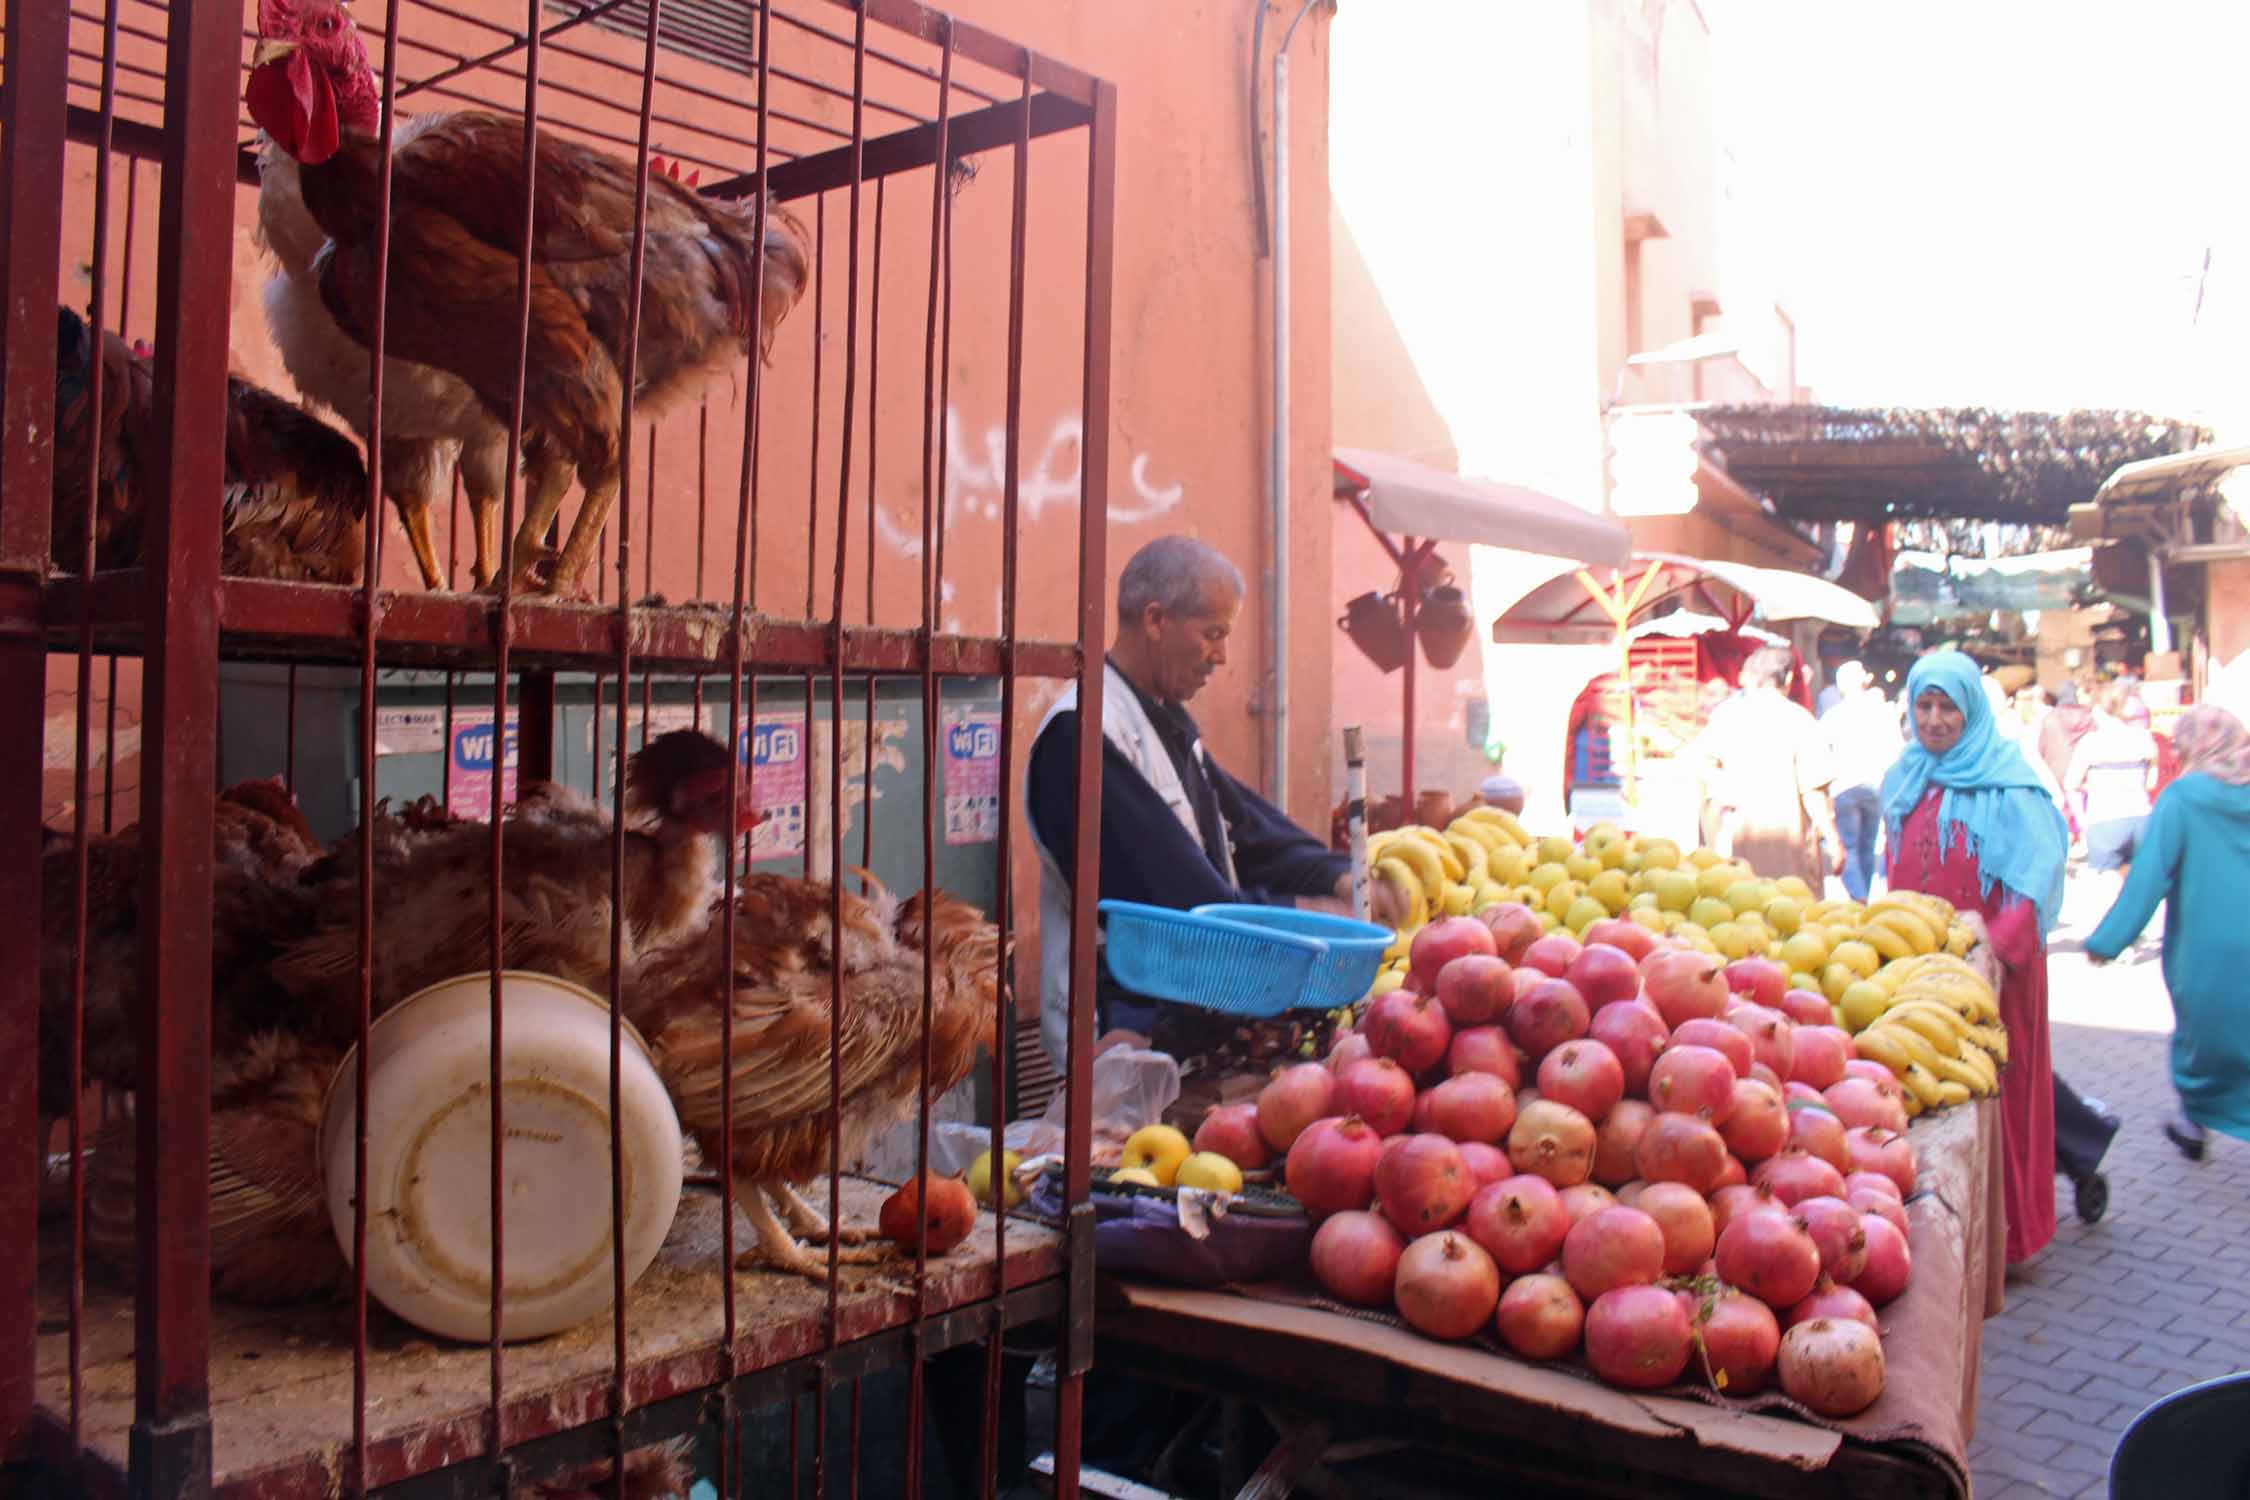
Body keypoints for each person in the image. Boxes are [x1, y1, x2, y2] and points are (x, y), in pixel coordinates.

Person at [1025, 536, 1409, 1072]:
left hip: (1183, 1033)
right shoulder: (1084, 736)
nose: (1222, 657)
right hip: (1118, 1039)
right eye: (1213, 634)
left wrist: (1338, 876)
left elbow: (1250, 832)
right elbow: (1187, 902)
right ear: (1156, 620)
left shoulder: (1164, 721)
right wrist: (1312, 915)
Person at [1881, 650, 2069, 1264]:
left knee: (2002, 1100)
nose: (1934, 720)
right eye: (1924, 706)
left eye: (1947, 708)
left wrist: (1998, 947)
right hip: (1923, 970)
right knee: (1936, 1101)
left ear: (1972, 712)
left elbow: (2039, 873)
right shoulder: (1907, 775)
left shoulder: (2011, 780)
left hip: (1997, 973)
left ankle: (2011, 1239)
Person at [2084, 706, 2250, 1162]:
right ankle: (2195, 1123)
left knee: (2202, 1040)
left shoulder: (2184, 797)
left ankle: (2193, 1122)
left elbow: (2150, 876)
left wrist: (2108, 940)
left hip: (2205, 950)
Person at [1688, 646, 1843, 885]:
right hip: (1790, 857)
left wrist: (1708, 840)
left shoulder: (1726, 716)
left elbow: (1703, 774)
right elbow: (1813, 792)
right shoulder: (1800, 720)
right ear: (1789, 677)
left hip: (1738, 857)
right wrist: (1834, 841)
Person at [1821, 661, 1903, 902]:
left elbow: (1824, 755)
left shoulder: (1833, 716)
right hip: (1876, 785)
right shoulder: (1883, 712)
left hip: (1844, 786)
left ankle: (1858, 897)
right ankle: (1862, 894)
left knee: (1851, 846)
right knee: (1867, 845)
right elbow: (1896, 749)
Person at [2066, 686, 2158, 890]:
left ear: (2098, 710)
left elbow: (2071, 784)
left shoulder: (2090, 742)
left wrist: (2082, 822)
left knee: (2107, 892)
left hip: (2104, 820)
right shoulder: (2143, 738)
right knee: (2141, 887)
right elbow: (2151, 782)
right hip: (2141, 817)